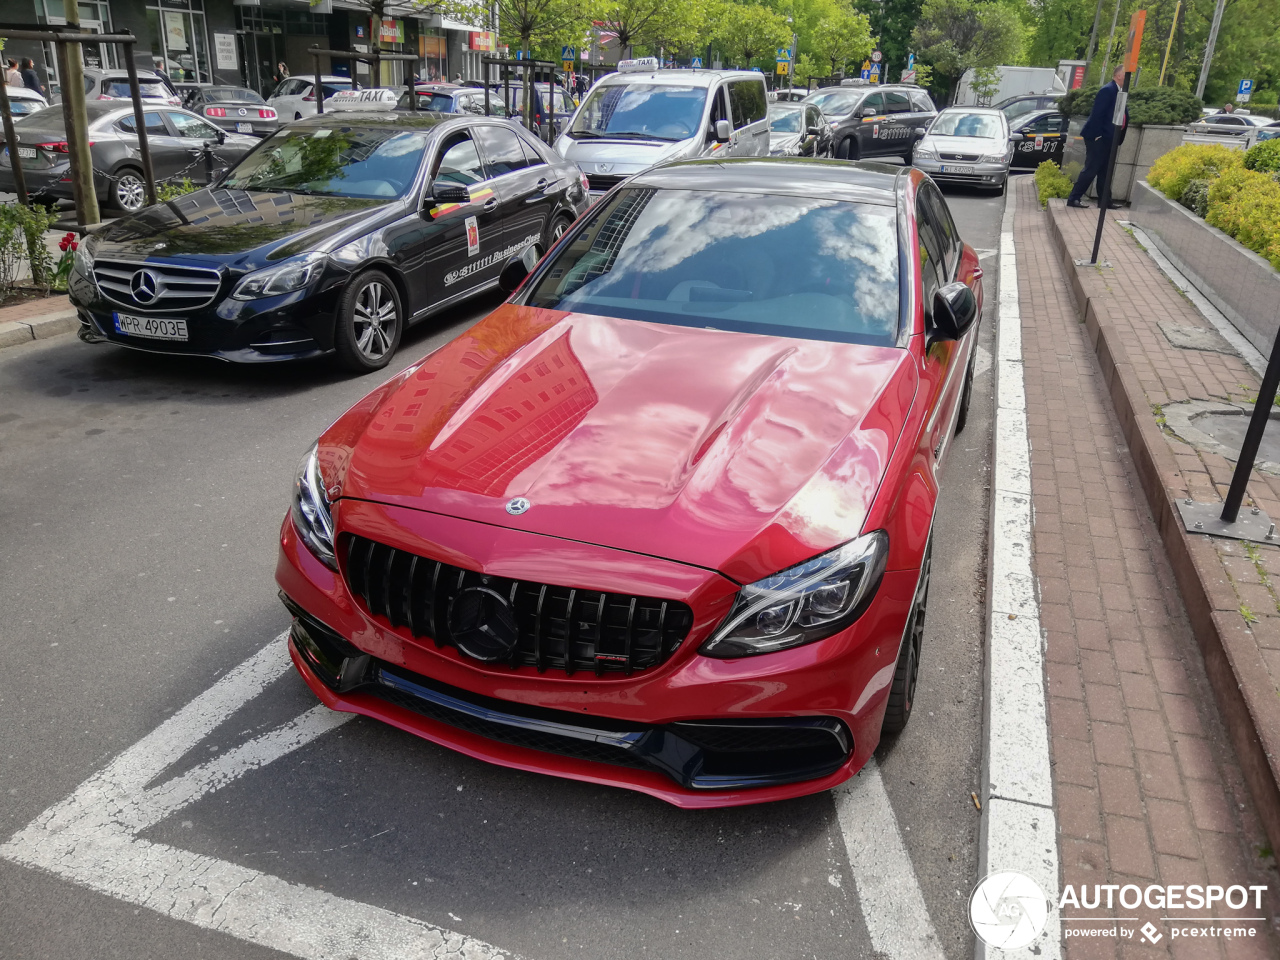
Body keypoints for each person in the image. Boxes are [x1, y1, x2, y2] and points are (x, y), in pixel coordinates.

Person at [1067, 63, 1129, 210]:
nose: (1128, 79)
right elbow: (1097, 114)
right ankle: (1074, 198)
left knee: (1105, 171)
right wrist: (1097, 135)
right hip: (1099, 138)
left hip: (1110, 139)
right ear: (1119, 75)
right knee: (1091, 169)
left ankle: (1105, 201)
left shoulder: (1119, 91)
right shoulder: (1108, 90)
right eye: (1126, 75)